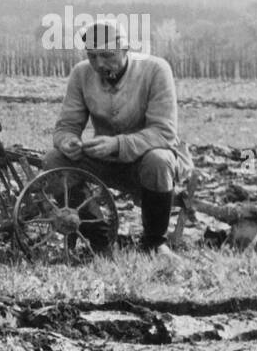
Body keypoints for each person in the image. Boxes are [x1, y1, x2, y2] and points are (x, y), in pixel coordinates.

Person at [45, 20, 193, 260]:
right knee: (54, 160)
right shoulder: (81, 73)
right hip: (105, 159)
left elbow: (164, 132)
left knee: (158, 160)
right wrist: (67, 141)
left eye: (107, 55)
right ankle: (99, 239)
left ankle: (155, 242)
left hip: (150, 160)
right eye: (92, 56)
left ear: (126, 50)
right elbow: (66, 126)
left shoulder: (156, 70)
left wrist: (117, 144)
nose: (99, 64)